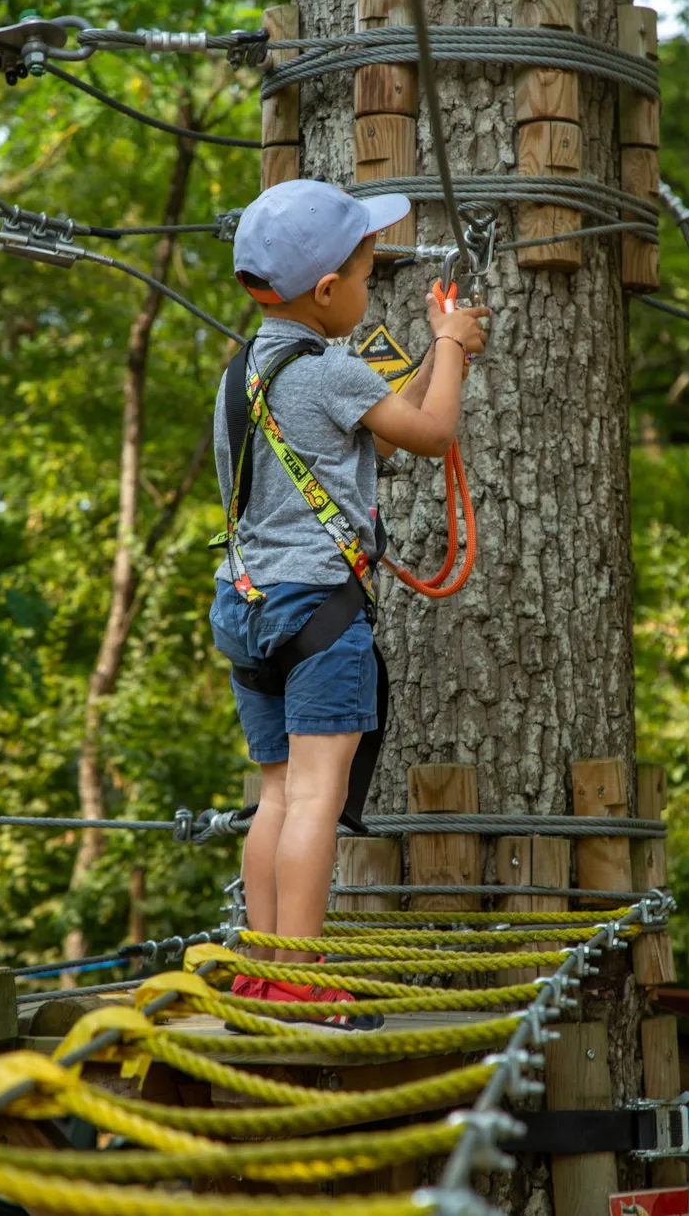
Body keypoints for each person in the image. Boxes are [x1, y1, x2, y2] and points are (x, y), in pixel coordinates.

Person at [209, 179, 489, 1029]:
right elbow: (430, 432)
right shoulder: (331, 371)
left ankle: (263, 968)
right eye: (367, 275)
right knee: (316, 802)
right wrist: (454, 344)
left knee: (276, 796)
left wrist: (432, 351)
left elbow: (365, 431)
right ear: (327, 291)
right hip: (318, 613)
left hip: (247, 605)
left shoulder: (239, 373)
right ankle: (300, 977)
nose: (371, 287)